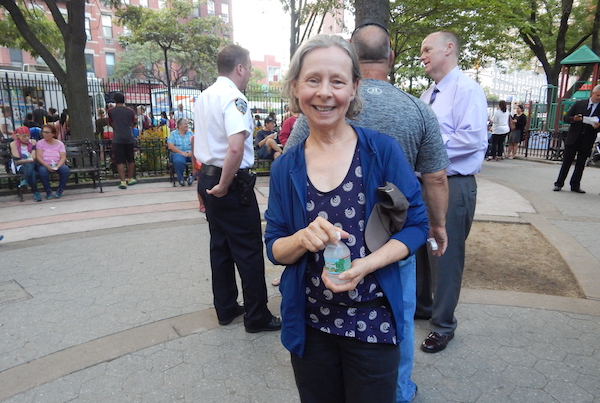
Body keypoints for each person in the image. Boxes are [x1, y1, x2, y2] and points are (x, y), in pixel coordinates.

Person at [283, 23, 450, 403]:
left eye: (337, 81)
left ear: (354, 77)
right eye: (313, 79)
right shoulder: (415, 109)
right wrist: (295, 242)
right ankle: (400, 392)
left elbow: (416, 220)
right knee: (401, 324)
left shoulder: (381, 147)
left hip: (379, 271)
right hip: (332, 295)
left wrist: (367, 262)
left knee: (388, 334)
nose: (325, 92)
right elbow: (436, 176)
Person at [193, 44, 281, 333]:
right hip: (229, 183)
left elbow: (201, 143)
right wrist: (225, 184)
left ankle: (226, 307)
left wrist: (204, 183)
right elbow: (235, 146)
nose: (249, 74)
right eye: (249, 69)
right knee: (248, 249)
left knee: (220, 245)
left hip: (209, 177)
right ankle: (257, 316)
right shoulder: (234, 98)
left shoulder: (205, 96)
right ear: (240, 68)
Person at [417, 31, 488, 353]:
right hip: (423, 183)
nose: (422, 56)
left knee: (445, 255)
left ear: (449, 48)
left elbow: (471, 139)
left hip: (454, 183)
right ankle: (424, 307)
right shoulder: (426, 94)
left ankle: (443, 325)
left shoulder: (467, 89)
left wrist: (428, 149)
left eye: (427, 49)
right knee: (420, 248)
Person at [553, 84, 600, 193]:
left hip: (587, 139)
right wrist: (574, 119)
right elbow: (566, 118)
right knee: (567, 162)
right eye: (598, 95)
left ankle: (575, 185)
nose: (599, 98)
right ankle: (559, 183)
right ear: (593, 93)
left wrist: (598, 126)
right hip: (574, 137)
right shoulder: (580, 104)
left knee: (581, 163)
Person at [108, 92, 137, 189]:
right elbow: (132, 123)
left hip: (117, 138)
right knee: (130, 159)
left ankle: (123, 181)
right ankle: (130, 178)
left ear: (115, 100)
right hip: (129, 137)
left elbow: (111, 122)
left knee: (119, 161)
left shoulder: (111, 111)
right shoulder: (130, 111)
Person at [36, 124, 71, 199]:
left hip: (57, 163)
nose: (44, 134)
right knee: (42, 171)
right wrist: (47, 166)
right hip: (45, 164)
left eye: (47, 132)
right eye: (43, 132)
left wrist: (57, 166)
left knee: (65, 170)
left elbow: (63, 157)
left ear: (53, 134)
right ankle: (48, 191)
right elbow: (38, 157)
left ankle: (60, 189)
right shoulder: (40, 143)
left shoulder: (60, 144)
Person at [10, 126, 42, 202]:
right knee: (32, 172)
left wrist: (29, 159)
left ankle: (25, 180)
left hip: (32, 163)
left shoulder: (33, 142)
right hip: (19, 165)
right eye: (24, 136)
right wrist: (27, 159)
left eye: (28, 135)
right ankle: (35, 192)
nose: (27, 138)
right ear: (18, 136)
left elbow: (33, 156)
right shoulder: (13, 144)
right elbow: (17, 160)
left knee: (30, 163)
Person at [167, 118, 194, 186]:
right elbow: (170, 146)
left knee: (199, 160)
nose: (187, 125)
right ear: (180, 126)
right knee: (179, 161)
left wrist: (192, 152)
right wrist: (182, 153)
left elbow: (197, 144)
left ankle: (192, 176)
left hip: (190, 153)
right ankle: (180, 178)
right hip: (178, 153)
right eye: (185, 124)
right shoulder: (173, 134)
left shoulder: (191, 134)